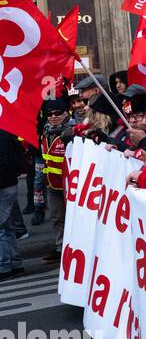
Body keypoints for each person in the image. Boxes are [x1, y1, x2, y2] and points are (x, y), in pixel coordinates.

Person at [38, 98, 73, 263]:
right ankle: (60, 248)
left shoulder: (72, 131)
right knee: (56, 217)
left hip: (70, 184)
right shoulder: (45, 131)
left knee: (73, 217)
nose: (53, 117)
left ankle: (75, 247)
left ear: (66, 113)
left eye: (58, 113)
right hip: (52, 183)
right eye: (49, 114)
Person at [0, 128, 25, 280]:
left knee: (1, 228)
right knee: (6, 226)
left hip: (3, 185)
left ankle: (4, 266)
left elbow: (2, 162)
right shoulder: (5, 132)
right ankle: (16, 263)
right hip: (8, 183)